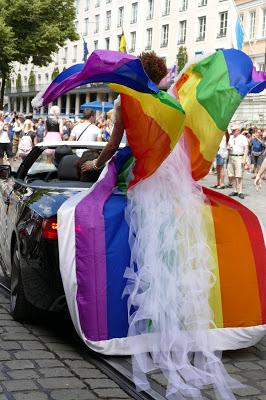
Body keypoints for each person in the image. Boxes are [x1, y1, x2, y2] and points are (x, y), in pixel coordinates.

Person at [227, 122, 249, 199]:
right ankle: (235, 190)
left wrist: (244, 158)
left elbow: (246, 149)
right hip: (231, 157)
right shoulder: (231, 137)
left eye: (234, 130)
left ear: (238, 130)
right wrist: (228, 147)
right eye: (232, 130)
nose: (232, 131)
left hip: (239, 157)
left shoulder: (243, 137)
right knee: (231, 175)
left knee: (239, 175)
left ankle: (240, 191)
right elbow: (229, 145)